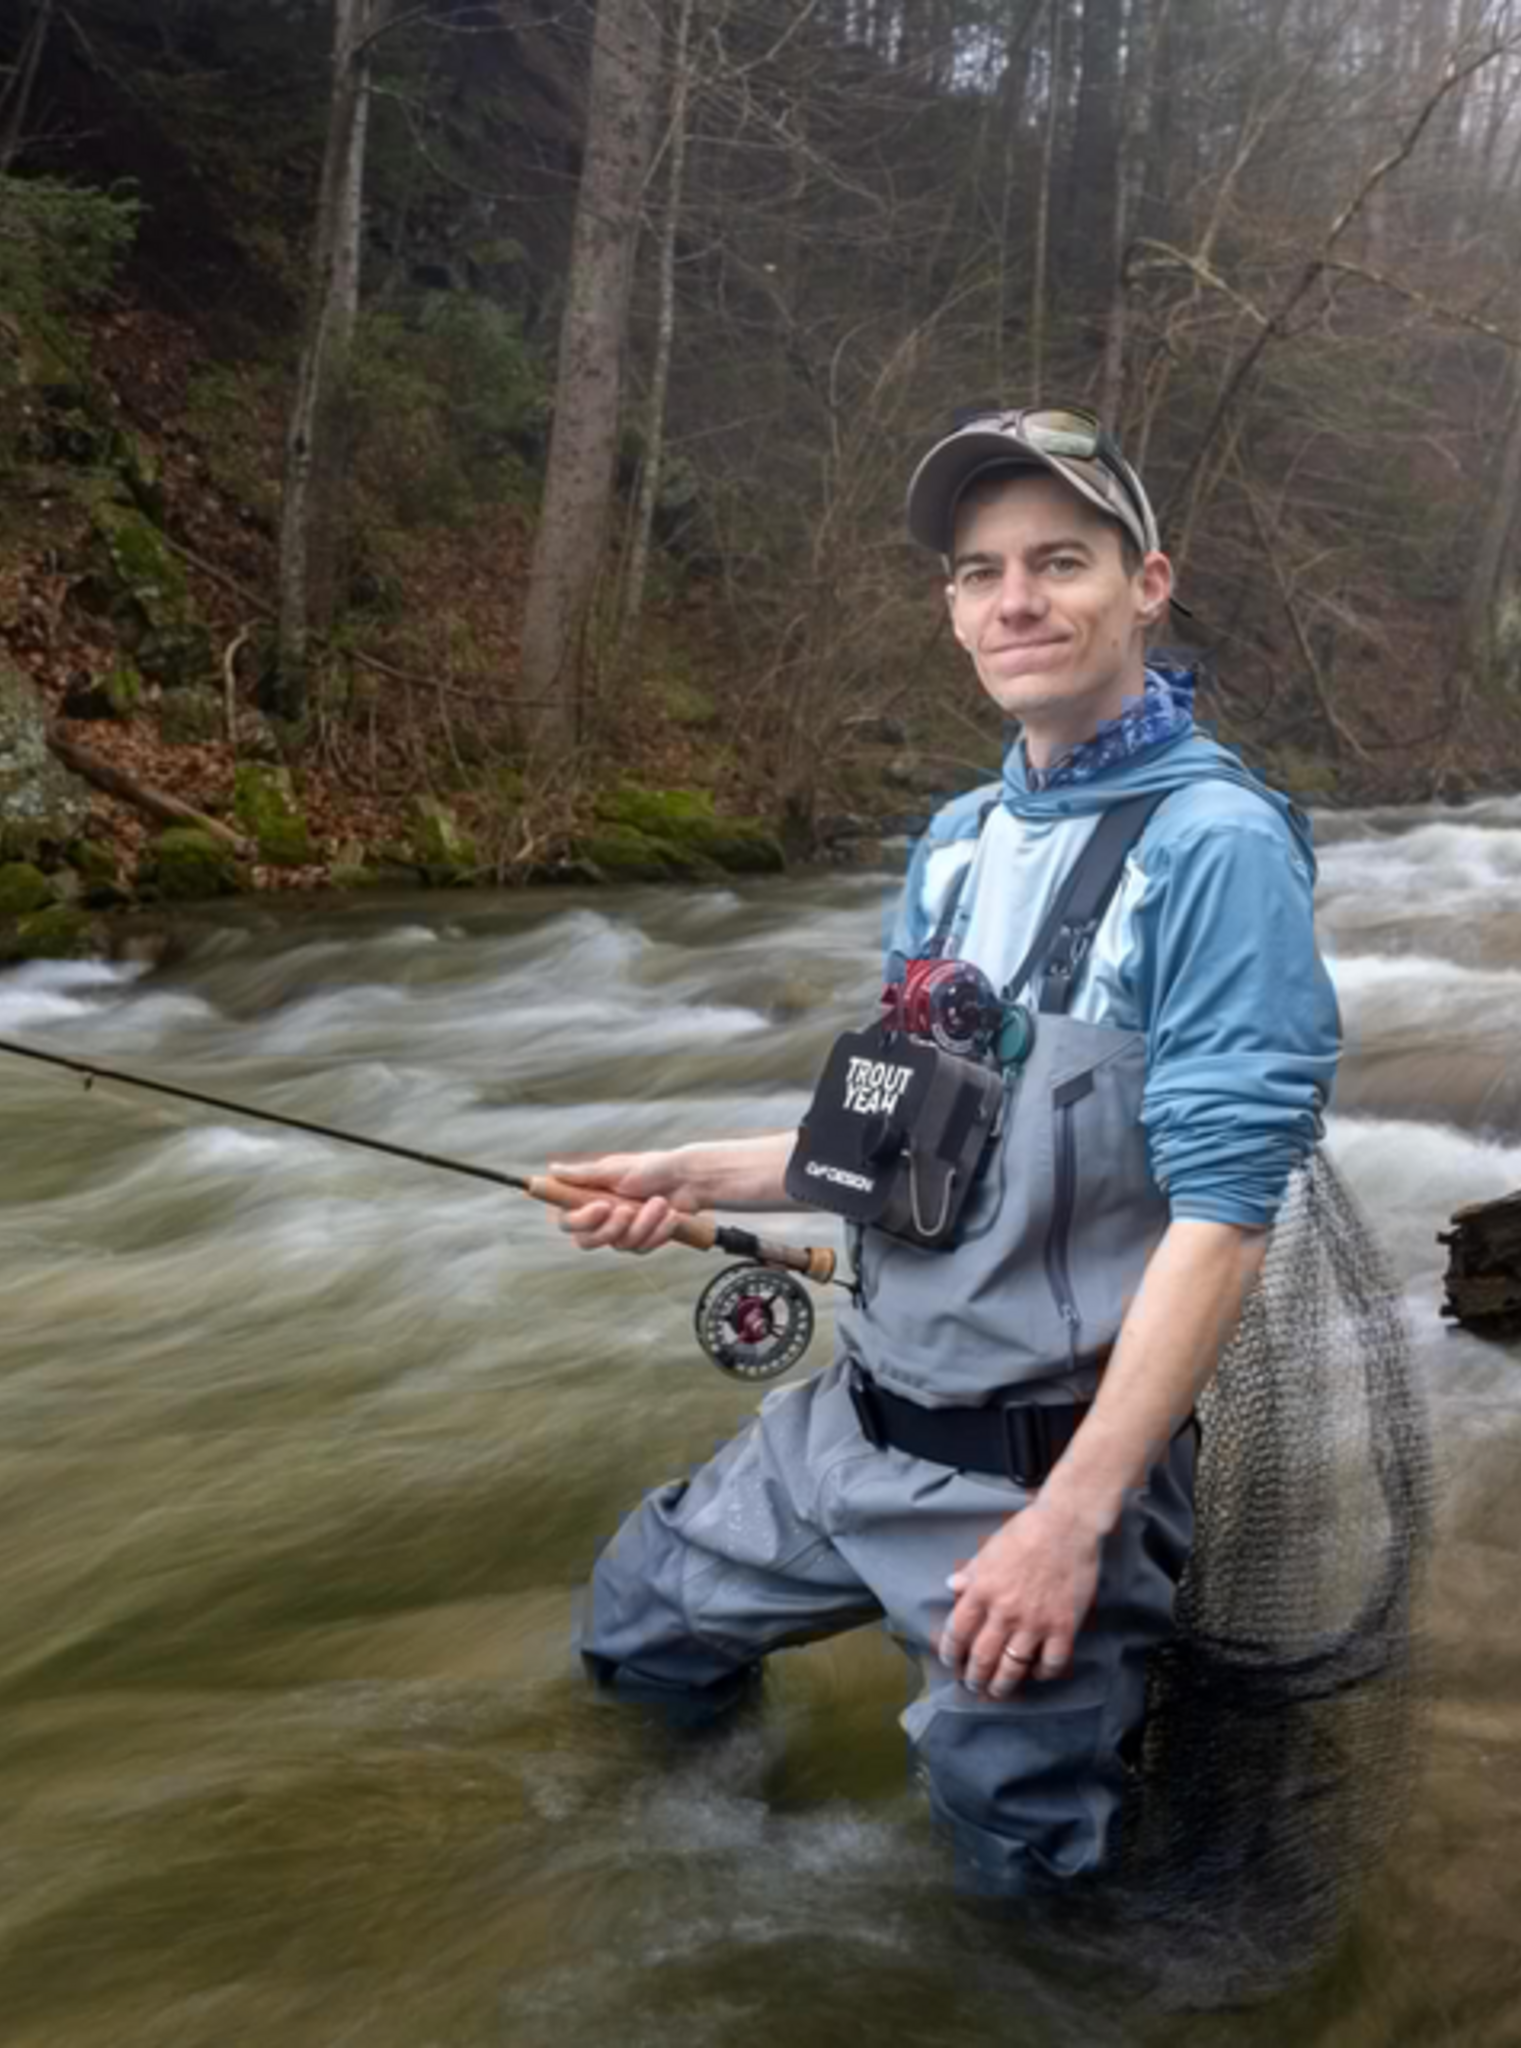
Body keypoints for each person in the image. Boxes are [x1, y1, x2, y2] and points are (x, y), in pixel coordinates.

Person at [555, 404, 1341, 1895]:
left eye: (1060, 561)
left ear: (1148, 586)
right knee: (641, 1629)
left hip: (1040, 1479)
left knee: (1020, 1864)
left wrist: (1072, 1523)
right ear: (953, 608)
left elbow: (1226, 1220)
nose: (1016, 600)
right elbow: (893, 1137)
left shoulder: (1217, 849)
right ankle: (687, 1882)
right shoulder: (961, 838)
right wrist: (689, 1176)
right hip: (848, 1425)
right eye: (983, 572)